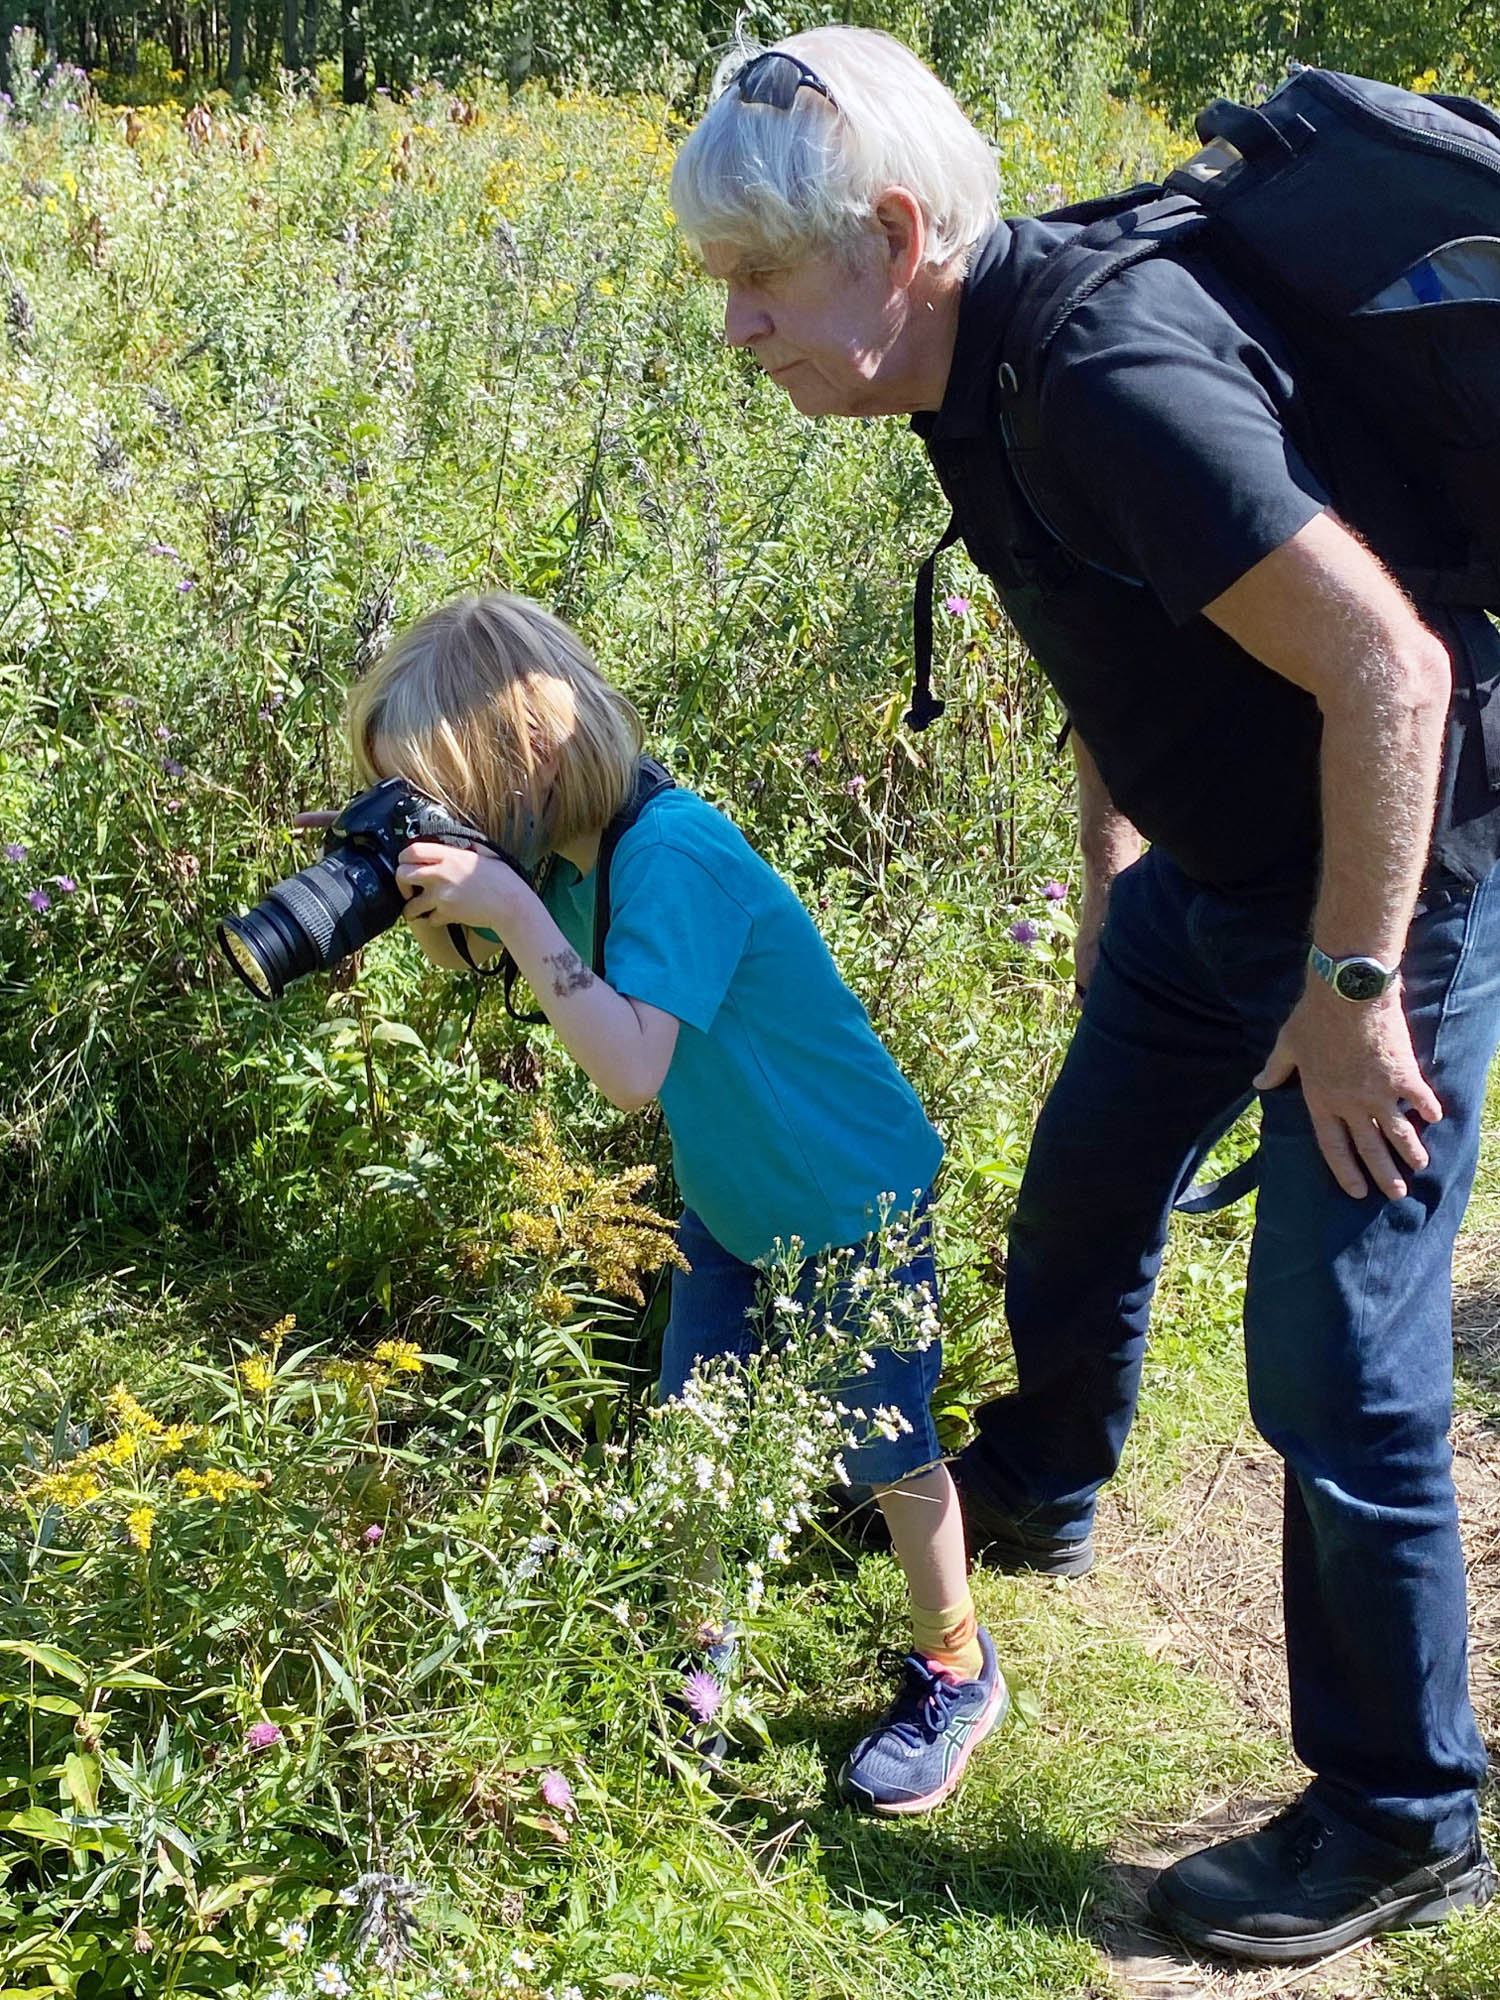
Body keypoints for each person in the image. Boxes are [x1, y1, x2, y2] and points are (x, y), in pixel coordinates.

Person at [670, 25, 1500, 1963]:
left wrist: (1356, 989)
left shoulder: (1108, 375)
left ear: (889, 237)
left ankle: (1401, 1805)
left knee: (1337, 1351)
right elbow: (1112, 631)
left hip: (1389, 872)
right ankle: (1044, 1476)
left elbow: (1395, 675)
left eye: (755, 282)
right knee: (1082, 1185)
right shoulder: (974, 369)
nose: (737, 331)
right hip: (1212, 882)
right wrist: (1116, 884)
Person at [338, 586, 1008, 1814]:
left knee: (884, 1444)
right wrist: (406, 881)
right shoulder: (563, 853)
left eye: (449, 795)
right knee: (691, 1426)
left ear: (525, 756)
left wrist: (512, 903)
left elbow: (632, 1071)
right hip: (737, 1203)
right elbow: (493, 957)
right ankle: (703, 1660)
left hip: (851, 1197)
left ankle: (957, 1661)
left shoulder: (672, 853)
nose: (450, 821)